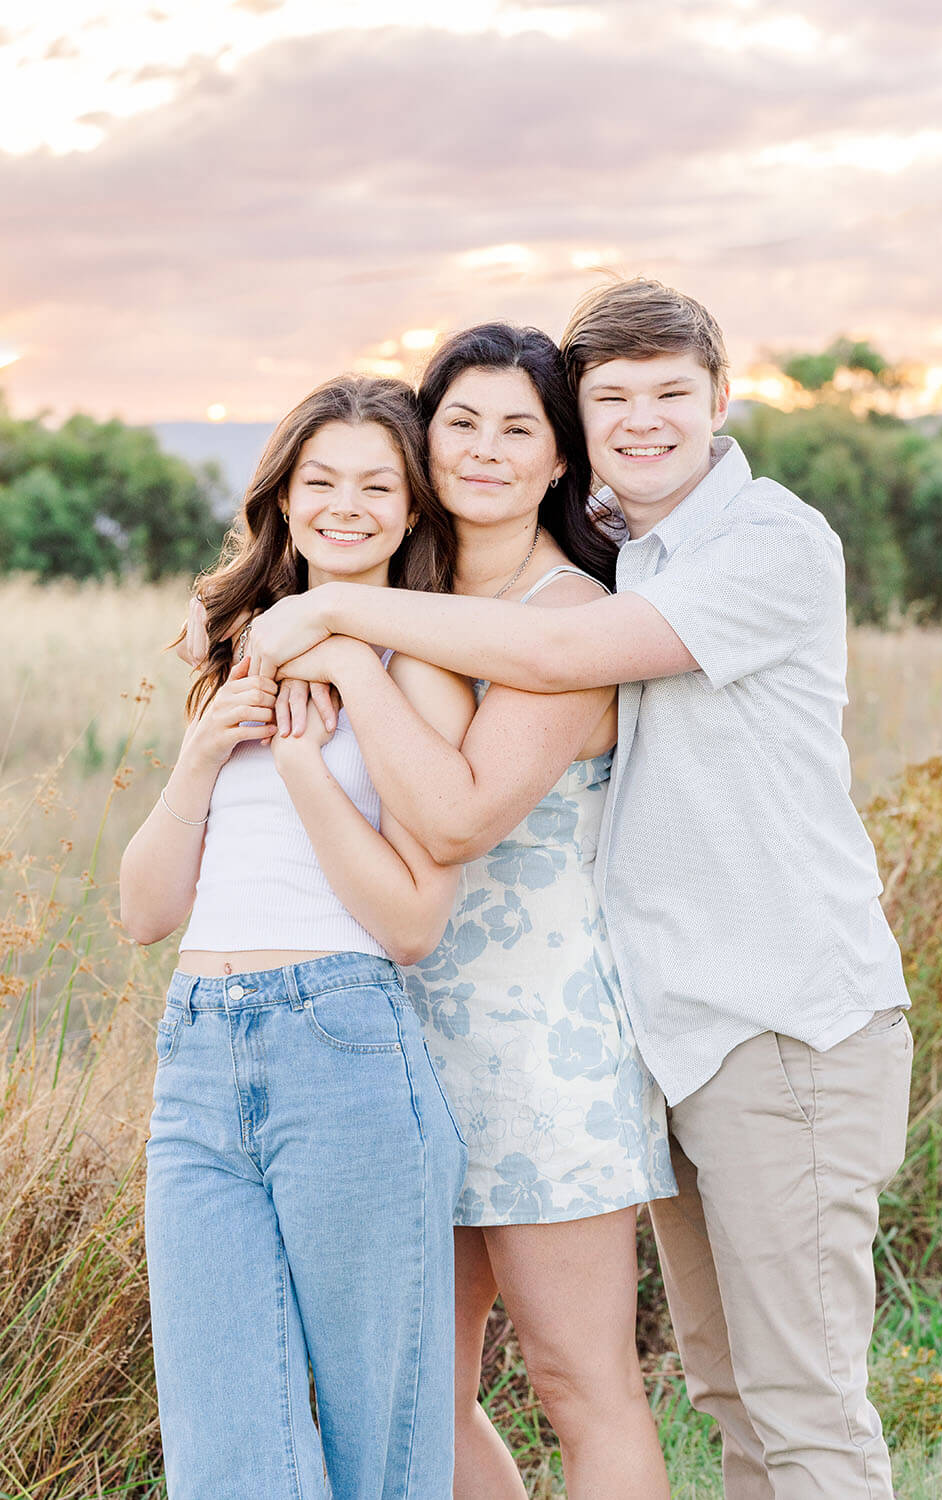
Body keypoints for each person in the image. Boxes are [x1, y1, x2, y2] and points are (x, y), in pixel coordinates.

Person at [245, 282, 914, 1500]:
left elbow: (543, 675)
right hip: (664, 1032)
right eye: (611, 397)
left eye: (669, 393)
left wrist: (332, 614)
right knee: (726, 1388)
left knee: (792, 1406)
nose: (640, 420)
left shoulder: (756, 545)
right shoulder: (633, 546)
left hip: (782, 1022)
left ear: (720, 398)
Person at [271, 325, 676, 1500]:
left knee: (574, 1381)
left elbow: (452, 822)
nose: (485, 450)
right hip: (395, 1040)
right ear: (424, 436)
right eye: (461, 421)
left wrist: (343, 647)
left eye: (519, 428)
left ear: (560, 460)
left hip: (542, 1051)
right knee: (412, 1394)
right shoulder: (408, 601)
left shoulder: (570, 620)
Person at [120, 376, 473, 1500]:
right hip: (197, 1060)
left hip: (347, 1047)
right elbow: (141, 913)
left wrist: (306, 767)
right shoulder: (233, 648)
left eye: (378, 484)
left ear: (414, 510)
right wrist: (201, 754)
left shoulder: (417, 666)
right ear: (282, 496)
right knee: (228, 1461)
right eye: (320, 480)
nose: (346, 505)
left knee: (385, 1454)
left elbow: (413, 922)